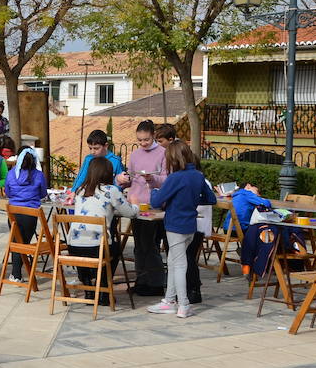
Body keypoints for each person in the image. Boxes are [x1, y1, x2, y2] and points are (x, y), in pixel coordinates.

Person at [147, 140, 216, 319]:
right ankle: (169, 300)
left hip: (175, 225)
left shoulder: (175, 177)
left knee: (178, 264)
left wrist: (154, 190)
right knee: (173, 261)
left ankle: (183, 303)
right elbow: (210, 199)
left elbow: (155, 203)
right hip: (190, 225)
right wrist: (189, 201)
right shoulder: (198, 176)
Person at [67, 157, 138, 294]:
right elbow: (130, 213)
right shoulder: (111, 190)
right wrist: (135, 204)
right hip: (98, 248)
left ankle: (88, 286)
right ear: (108, 173)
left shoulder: (80, 190)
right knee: (115, 249)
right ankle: (104, 288)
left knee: (87, 248)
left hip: (74, 246)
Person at [126, 120, 169, 299]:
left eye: (146, 139)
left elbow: (168, 178)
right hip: (136, 204)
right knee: (139, 245)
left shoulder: (163, 153)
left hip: (154, 204)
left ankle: (156, 282)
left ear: (153, 136)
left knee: (150, 245)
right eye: (140, 140)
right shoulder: (135, 155)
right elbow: (130, 175)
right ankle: (141, 280)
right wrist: (123, 179)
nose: (143, 143)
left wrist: (153, 179)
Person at [4, 149, 49, 282]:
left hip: (13, 212)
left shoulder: (12, 173)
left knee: (16, 242)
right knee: (24, 243)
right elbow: (43, 194)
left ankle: (16, 274)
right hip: (30, 214)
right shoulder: (39, 175)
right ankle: (18, 273)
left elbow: (8, 192)